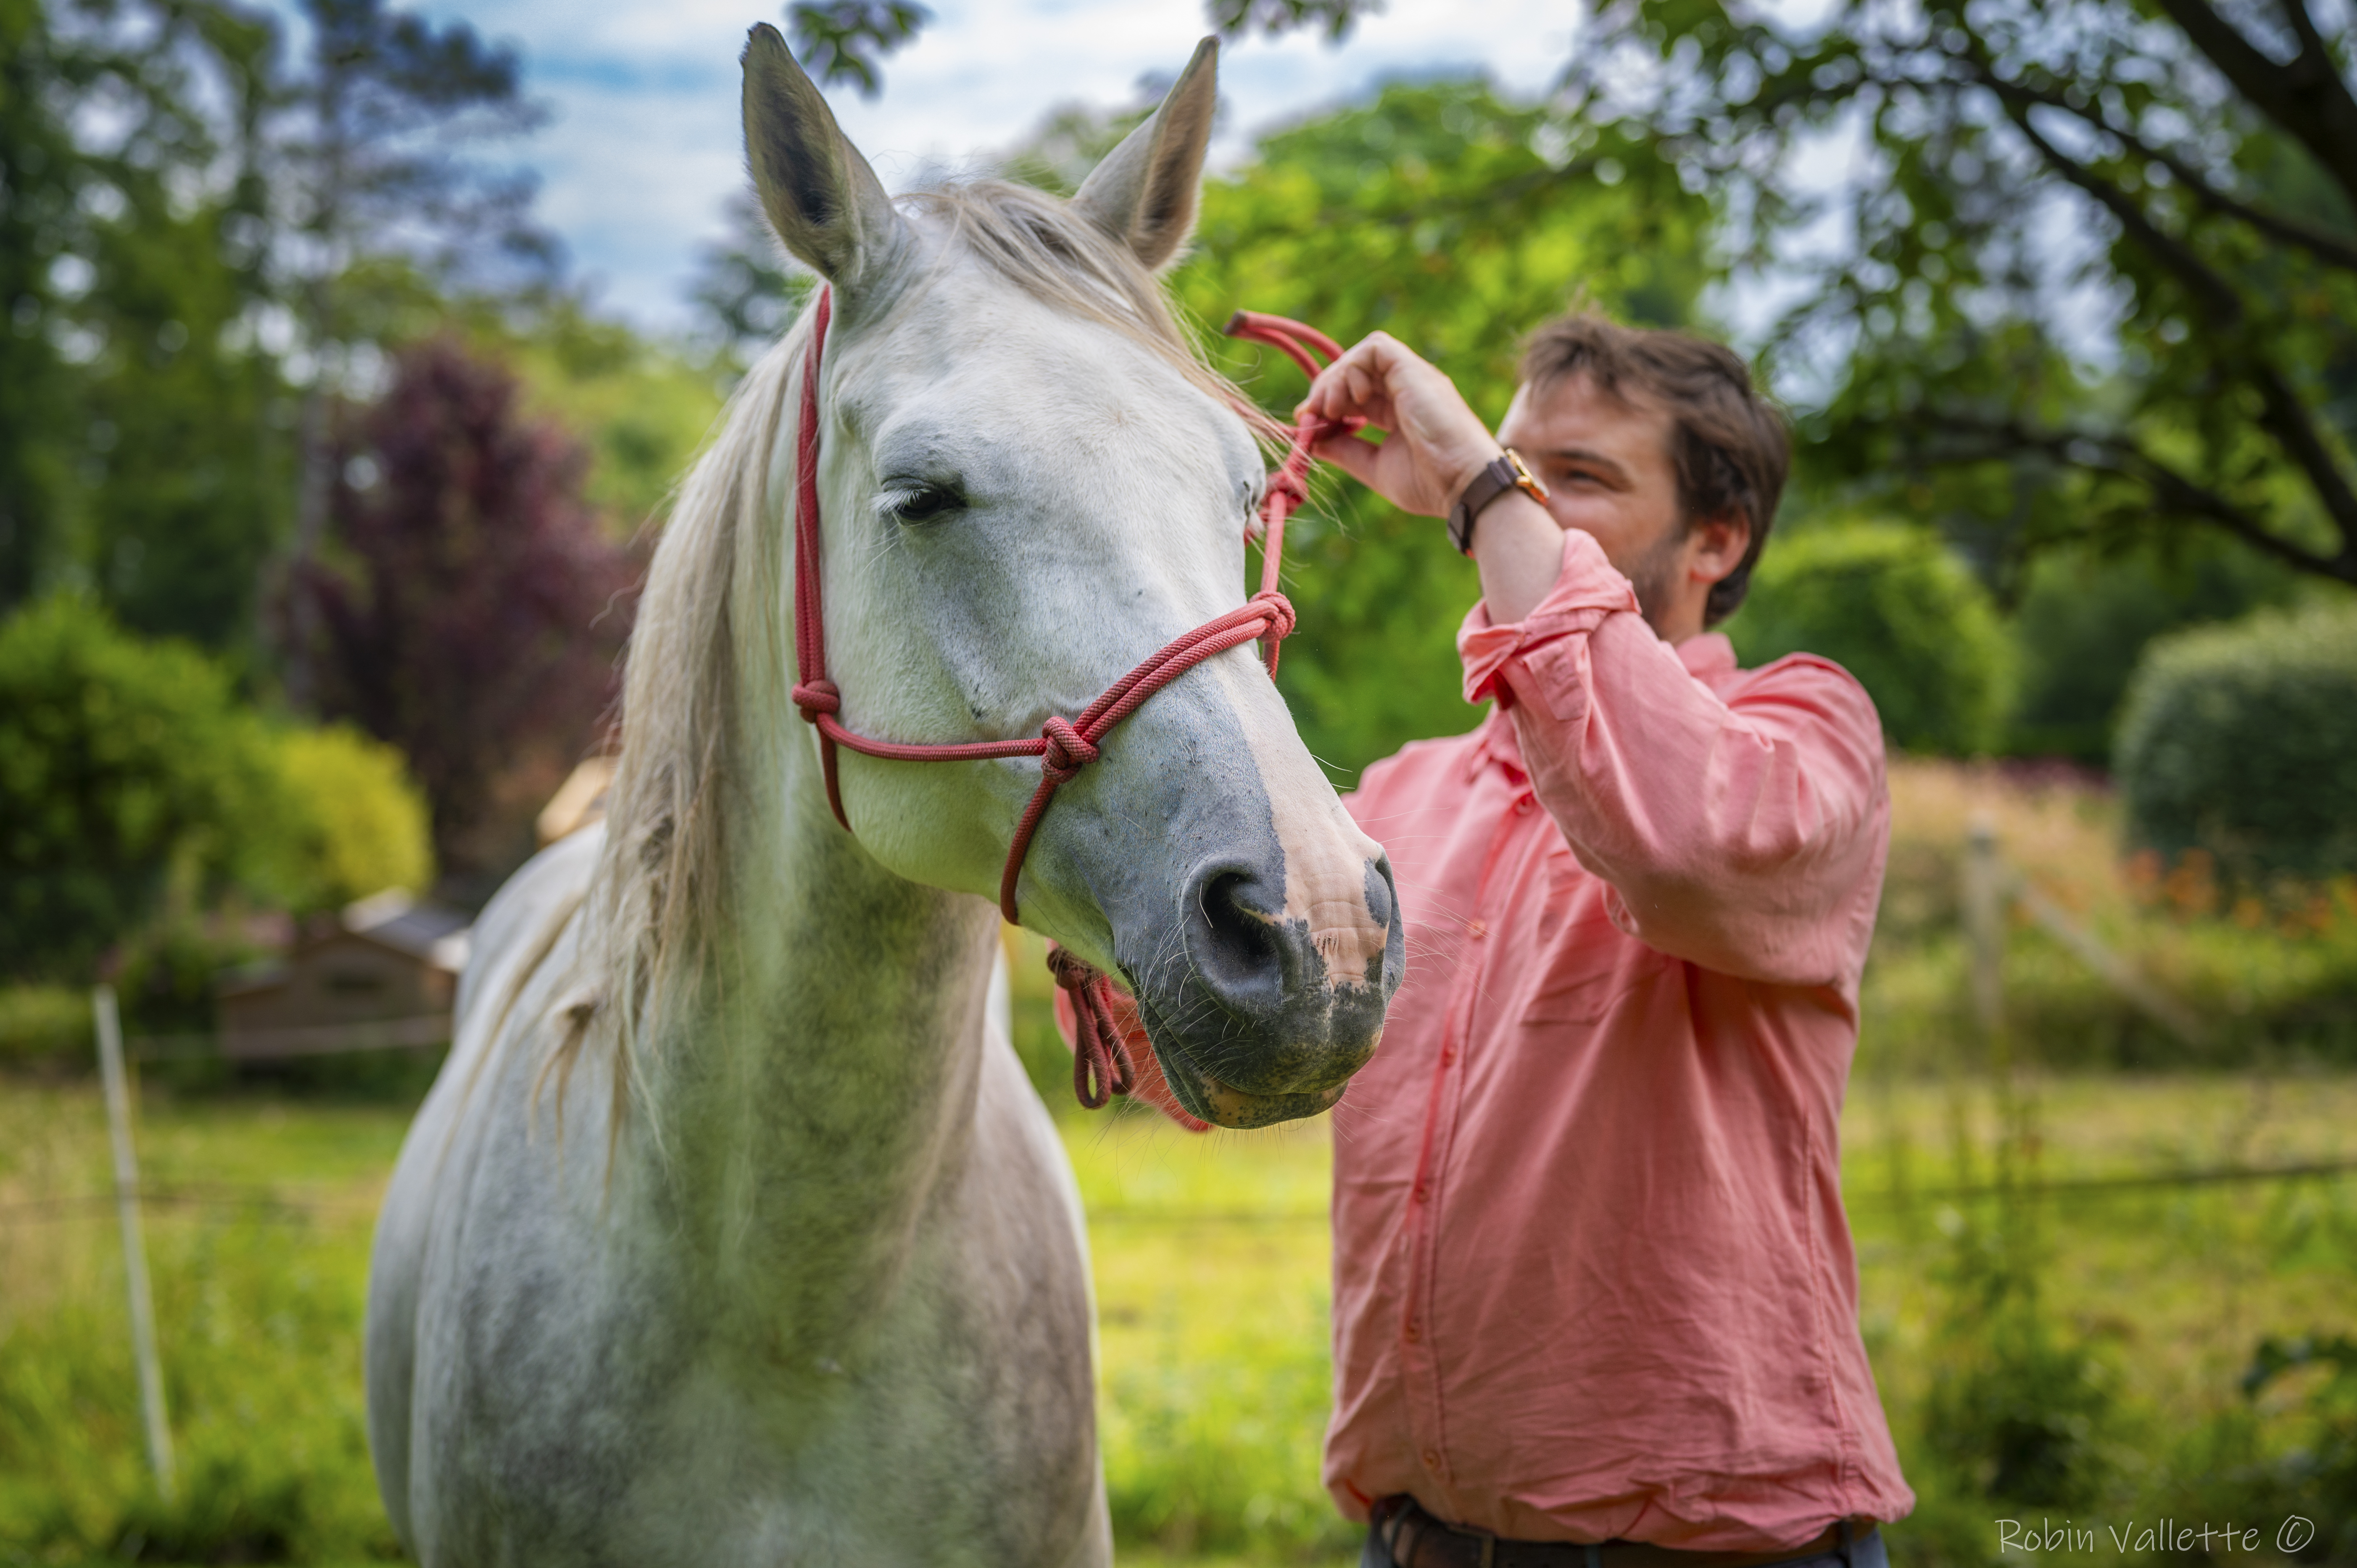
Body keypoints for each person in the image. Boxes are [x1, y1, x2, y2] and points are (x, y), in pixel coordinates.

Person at [1283, 314, 1915, 1568]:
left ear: (1716, 540)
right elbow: (1212, 1035)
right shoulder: (1399, 797)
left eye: (1578, 476)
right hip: (1411, 1547)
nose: (1518, 498)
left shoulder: (1806, 731)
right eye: (1516, 463)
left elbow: (1672, 834)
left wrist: (1477, 483)